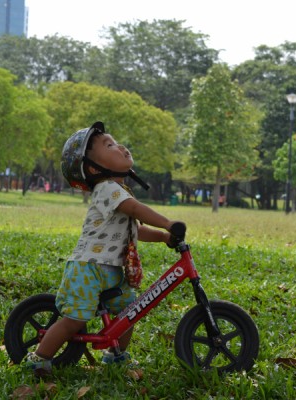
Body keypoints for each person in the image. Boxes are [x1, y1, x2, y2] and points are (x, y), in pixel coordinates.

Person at [24, 121, 181, 376]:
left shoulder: (120, 191)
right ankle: (39, 357)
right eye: (109, 145)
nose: (119, 146)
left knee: (129, 314)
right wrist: (168, 222)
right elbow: (135, 209)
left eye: (115, 142)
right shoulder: (107, 189)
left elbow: (136, 229)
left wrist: (164, 237)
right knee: (75, 319)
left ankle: (116, 356)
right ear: (93, 167)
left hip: (110, 271)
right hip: (88, 269)